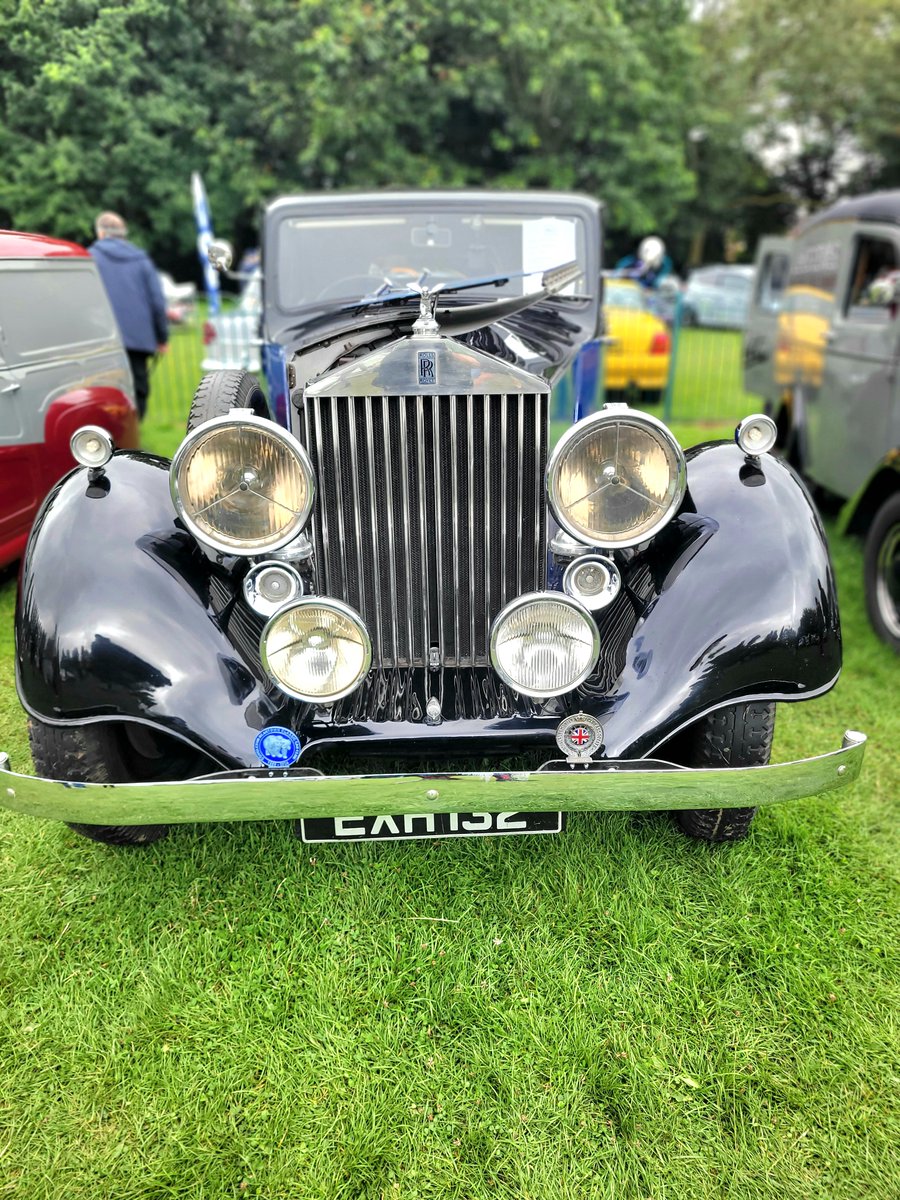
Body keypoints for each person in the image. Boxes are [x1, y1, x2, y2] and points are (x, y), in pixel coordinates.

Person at [89, 211, 168, 420]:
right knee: (137, 389)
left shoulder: (89, 258)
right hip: (138, 339)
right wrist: (162, 337)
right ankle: (133, 433)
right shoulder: (141, 260)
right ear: (123, 233)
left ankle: (104, 438)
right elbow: (157, 302)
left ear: (101, 233)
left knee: (105, 390)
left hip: (101, 339)